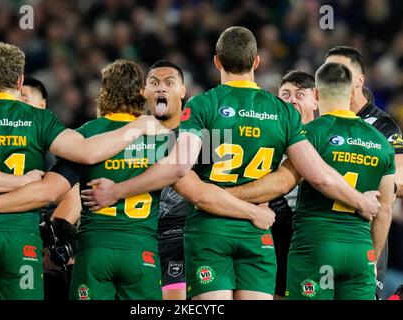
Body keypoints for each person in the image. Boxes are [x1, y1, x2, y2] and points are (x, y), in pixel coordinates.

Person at [80, 26, 380, 300]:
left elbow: (179, 167)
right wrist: (360, 201)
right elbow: (318, 175)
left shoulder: (203, 104)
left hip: (211, 231)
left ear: (217, 62)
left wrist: (118, 190)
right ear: (257, 62)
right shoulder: (282, 112)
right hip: (256, 232)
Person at [0, 42, 164, 300]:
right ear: (20, 82)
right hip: (23, 239)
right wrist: (138, 127)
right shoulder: (41, 120)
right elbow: (87, 153)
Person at [325, 45, 403, 299]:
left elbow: (401, 176)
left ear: (359, 80)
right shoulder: (322, 123)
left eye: (341, 71)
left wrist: (373, 192)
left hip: (366, 239)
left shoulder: (382, 126)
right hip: (321, 238)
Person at [21, 76, 79, 300]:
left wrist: (49, 235)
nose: (19, 105)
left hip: (51, 232)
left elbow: (74, 197)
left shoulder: (58, 141)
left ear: (42, 104)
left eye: (24, 98)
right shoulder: (0, 142)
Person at [265, 70, 318, 299]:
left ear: (315, 98)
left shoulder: (326, 135)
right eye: (285, 94)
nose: (292, 100)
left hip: (315, 233)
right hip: (276, 231)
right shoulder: (269, 139)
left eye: (299, 94)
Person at [144, 60, 188, 300]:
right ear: (144, 92)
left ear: (182, 91)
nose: (161, 89)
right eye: (154, 83)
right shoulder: (128, 137)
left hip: (181, 237)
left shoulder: (201, 138)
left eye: (169, 83)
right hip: (140, 236)